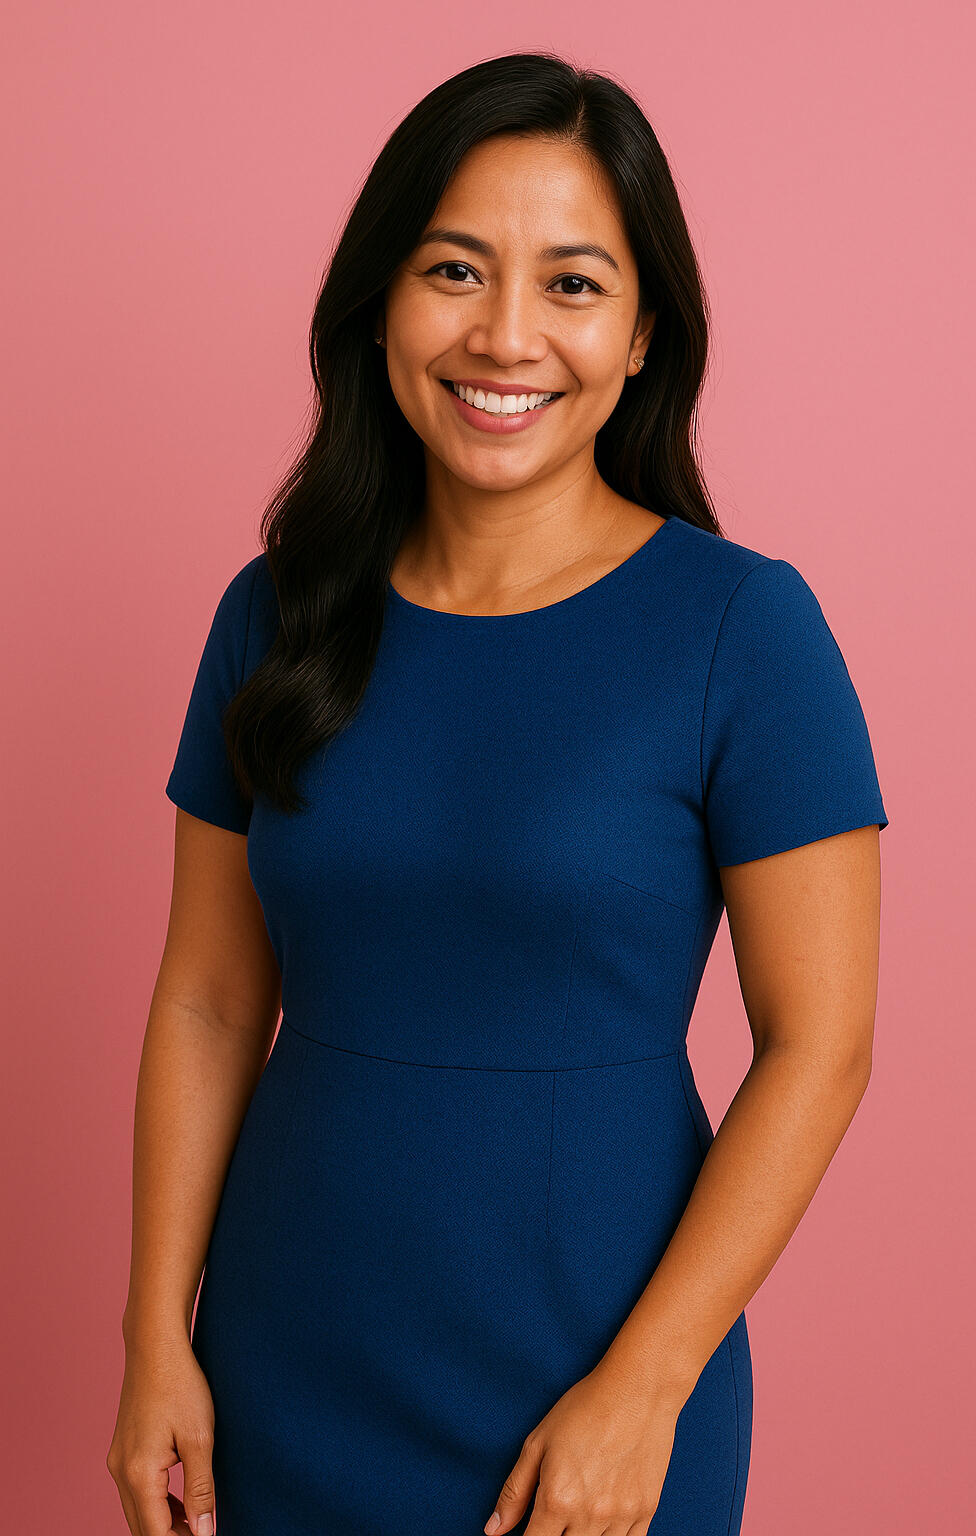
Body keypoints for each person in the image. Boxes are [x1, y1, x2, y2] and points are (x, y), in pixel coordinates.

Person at [107, 51, 889, 1536]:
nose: (506, 335)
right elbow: (207, 998)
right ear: (381, 302)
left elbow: (820, 1046)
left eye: (575, 285)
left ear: (648, 330)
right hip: (284, 1355)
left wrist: (645, 1390)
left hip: (593, 1379)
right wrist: (156, 1339)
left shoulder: (744, 631)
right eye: (454, 270)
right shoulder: (272, 618)